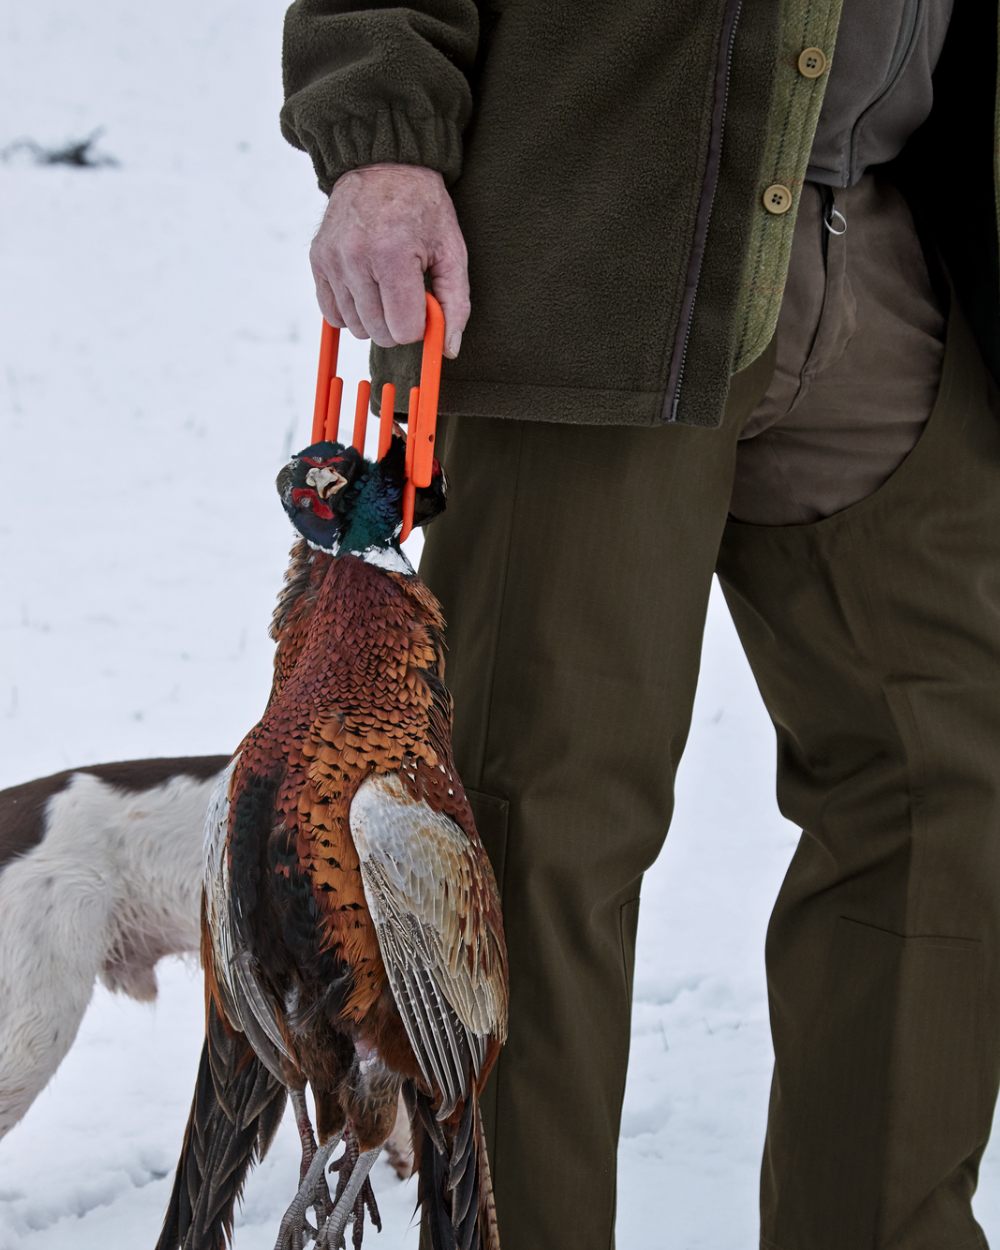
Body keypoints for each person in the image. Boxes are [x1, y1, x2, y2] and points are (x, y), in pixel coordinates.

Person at [280, 1, 1000, 1247]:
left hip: (892, 244)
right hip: (594, 254)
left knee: (950, 794)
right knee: (534, 823)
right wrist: (380, 136)